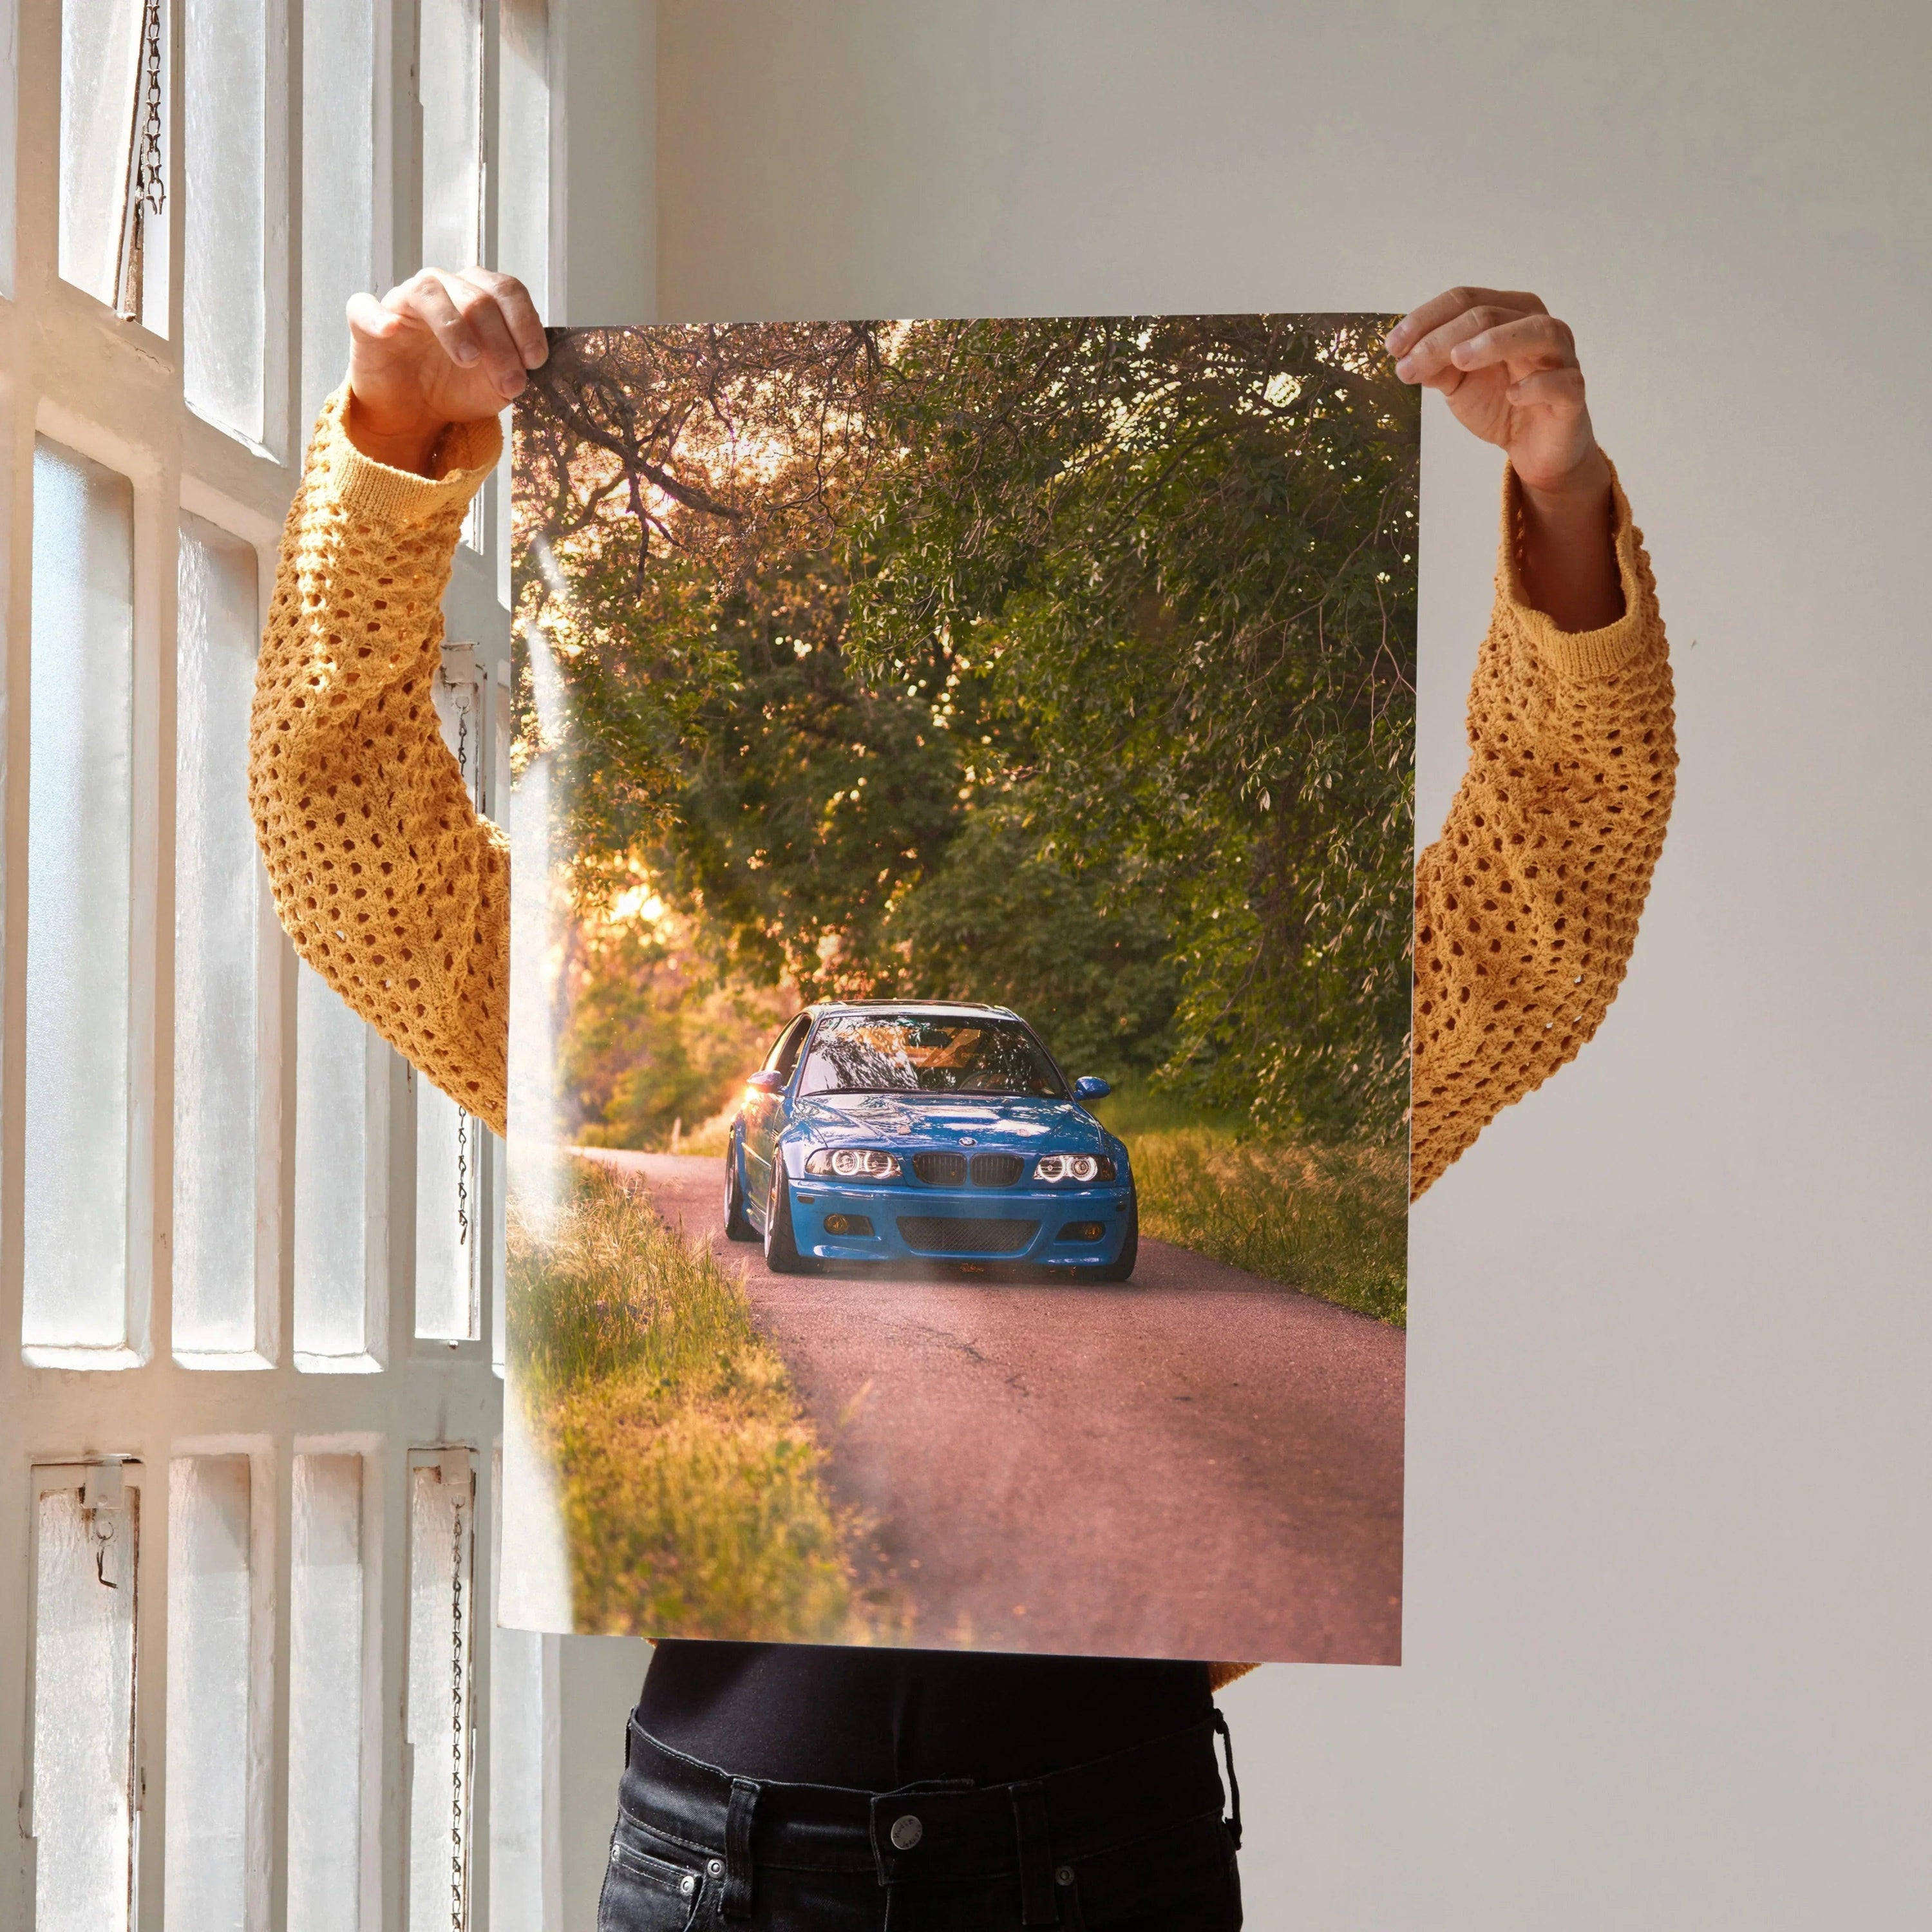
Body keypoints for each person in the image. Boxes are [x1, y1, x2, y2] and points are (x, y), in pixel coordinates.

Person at [250, 271, 1674, 1929]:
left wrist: (1559, 495)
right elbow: (345, 835)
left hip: (1107, 1852)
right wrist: (397, 440)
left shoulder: (1303, 1071)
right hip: (726, 1866)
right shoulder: (642, 1060)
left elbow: (1545, 904)